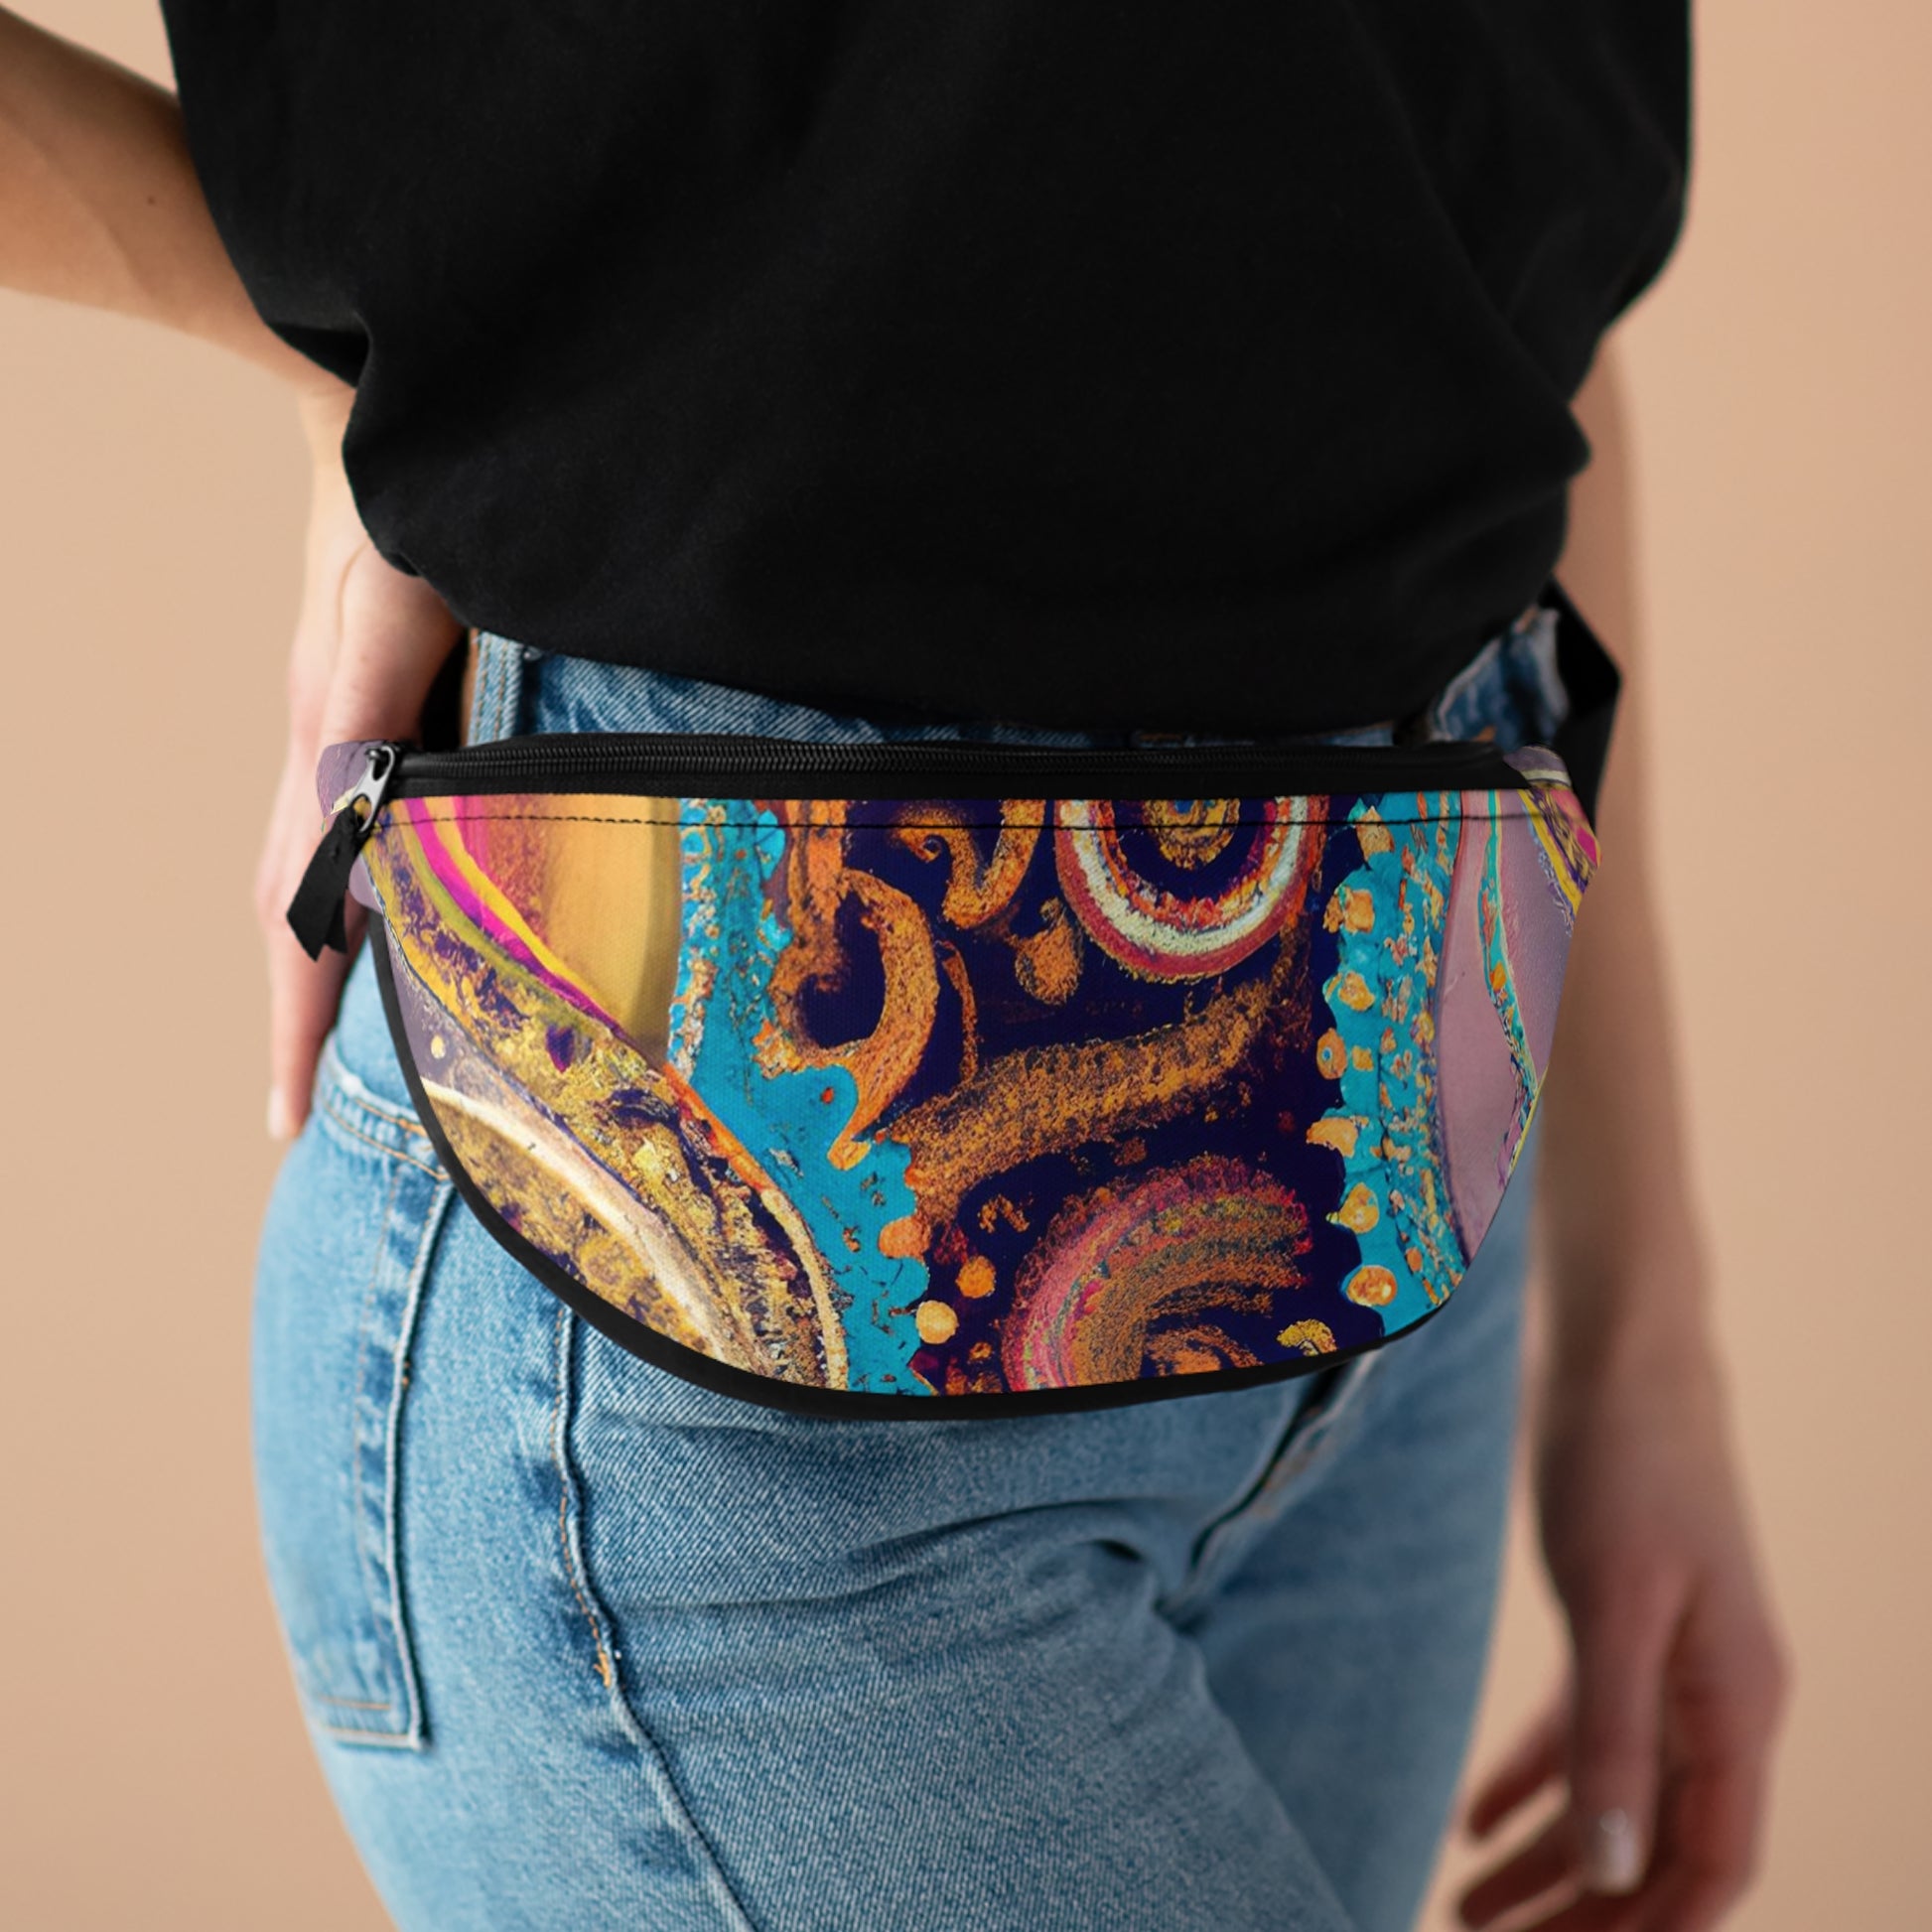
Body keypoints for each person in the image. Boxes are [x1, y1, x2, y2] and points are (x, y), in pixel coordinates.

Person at [0, 8, 1789, 1929]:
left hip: (1403, 1167)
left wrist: (1641, 1333)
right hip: (710, 1317)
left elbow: (1505, 272)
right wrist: (350, 375)